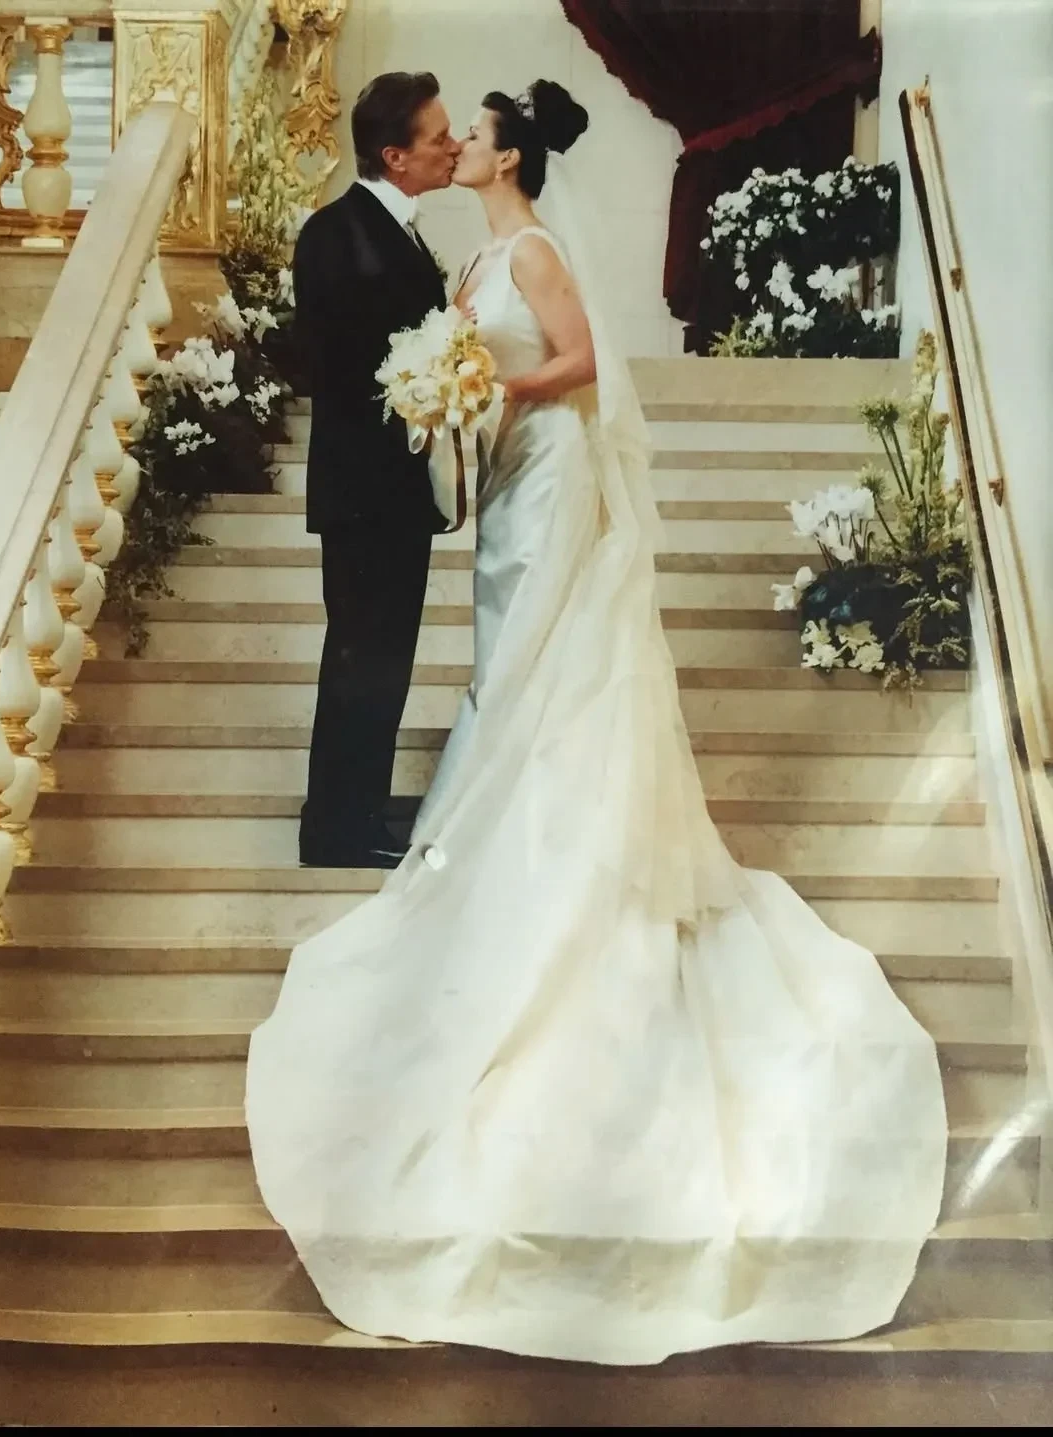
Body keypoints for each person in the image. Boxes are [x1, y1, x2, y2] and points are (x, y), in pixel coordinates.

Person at [247, 80, 949, 1365]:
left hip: (555, 472)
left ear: (507, 155)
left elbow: (577, 363)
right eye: (445, 135)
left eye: (472, 135)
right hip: (508, 482)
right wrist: (460, 397)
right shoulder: (469, 258)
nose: (458, 145)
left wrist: (501, 393)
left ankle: (562, 816)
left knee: (552, 651)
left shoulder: (532, 251)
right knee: (505, 652)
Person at [292, 71, 460, 869]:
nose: (451, 148)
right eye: (438, 138)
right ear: (395, 155)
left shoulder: (401, 231)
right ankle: (336, 826)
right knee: (362, 656)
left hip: (392, 491)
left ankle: (358, 813)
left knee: (385, 658)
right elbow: (340, 365)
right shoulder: (334, 234)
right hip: (365, 491)